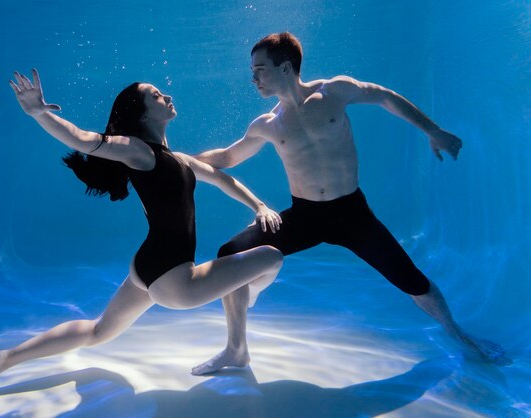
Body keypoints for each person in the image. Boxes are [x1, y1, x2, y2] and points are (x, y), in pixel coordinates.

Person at [0, 69, 284, 405]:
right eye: (155, 95)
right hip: (176, 279)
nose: (166, 96)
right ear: (141, 113)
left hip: (146, 266)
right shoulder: (139, 151)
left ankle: (3, 360)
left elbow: (223, 179)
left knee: (98, 331)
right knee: (271, 257)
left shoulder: (179, 160)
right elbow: (83, 140)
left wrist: (258, 205)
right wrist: (39, 113)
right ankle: (242, 314)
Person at [191, 32, 506, 375]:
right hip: (305, 215)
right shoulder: (267, 124)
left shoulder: (334, 91)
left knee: (411, 279)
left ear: (285, 68)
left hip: (351, 214)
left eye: (260, 70)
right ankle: (236, 349)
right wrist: (177, 162)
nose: (254, 79)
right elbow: (226, 157)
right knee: (228, 255)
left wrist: (432, 130)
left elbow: (384, 97)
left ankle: (457, 334)